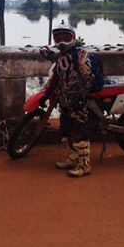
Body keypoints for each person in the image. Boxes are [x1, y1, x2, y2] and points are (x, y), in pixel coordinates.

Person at [40, 21, 94, 177]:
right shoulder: (61, 57)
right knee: (67, 132)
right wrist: (46, 94)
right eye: (58, 37)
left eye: (65, 36)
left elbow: (88, 78)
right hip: (64, 101)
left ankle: (84, 165)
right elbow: (56, 78)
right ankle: (73, 158)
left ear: (73, 37)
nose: (61, 40)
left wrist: (80, 96)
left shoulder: (80, 55)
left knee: (79, 132)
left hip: (77, 101)